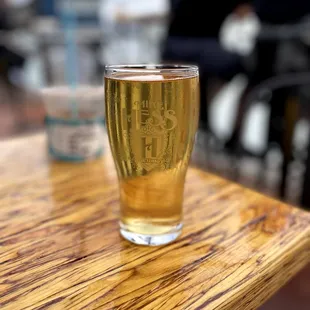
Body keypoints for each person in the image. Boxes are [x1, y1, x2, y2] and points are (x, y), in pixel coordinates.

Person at [161, 0, 252, 131]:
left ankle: (200, 114)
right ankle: (202, 112)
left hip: (175, 46)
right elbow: (243, 13)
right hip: (203, 49)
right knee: (239, 65)